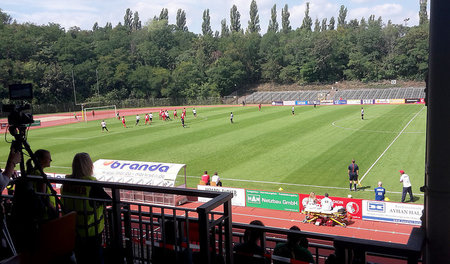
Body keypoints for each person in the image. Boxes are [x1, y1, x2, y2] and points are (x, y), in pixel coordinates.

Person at [61, 153, 110, 264]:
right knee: (95, 259)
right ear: (89, 166)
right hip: (91, 232)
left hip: (73, 229)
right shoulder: (91, 184)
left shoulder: (65, 183)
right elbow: (108, 200)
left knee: (81, 258)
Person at [26, 149, 56, 220]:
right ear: (42, 160)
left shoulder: (32, 172)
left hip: (35, 209)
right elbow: (44, 197)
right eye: (49, 158)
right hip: (44, 212)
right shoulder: (40, 176)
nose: (50, 160)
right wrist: (53, 209)